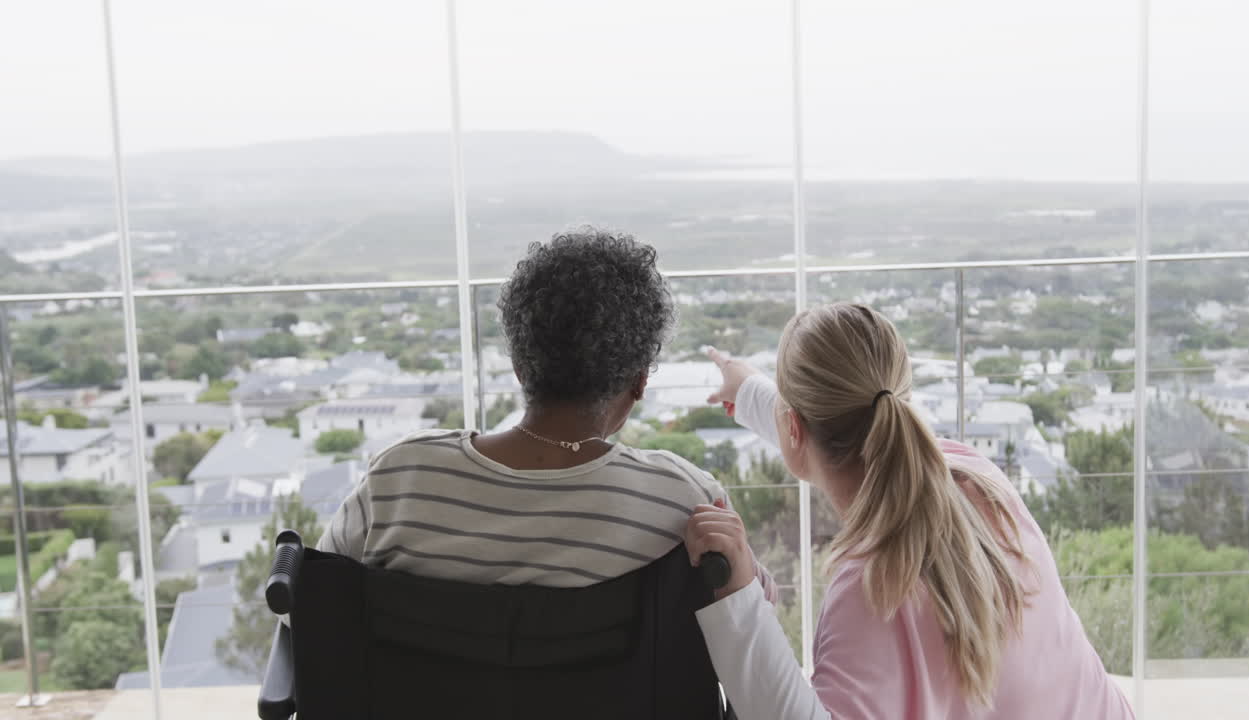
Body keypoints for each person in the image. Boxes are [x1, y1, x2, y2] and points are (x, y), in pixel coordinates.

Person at [685, 302, 1133, 719]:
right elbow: (846, 426)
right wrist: (751, 392)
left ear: (794, 427)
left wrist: (739, 596)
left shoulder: (871, 589)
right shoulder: (977, 476)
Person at [317, 227, 777, 599]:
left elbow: (311, 608)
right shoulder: (687, 501)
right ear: (639, 381)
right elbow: (749, 623)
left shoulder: (399, 477)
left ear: (520, 368)